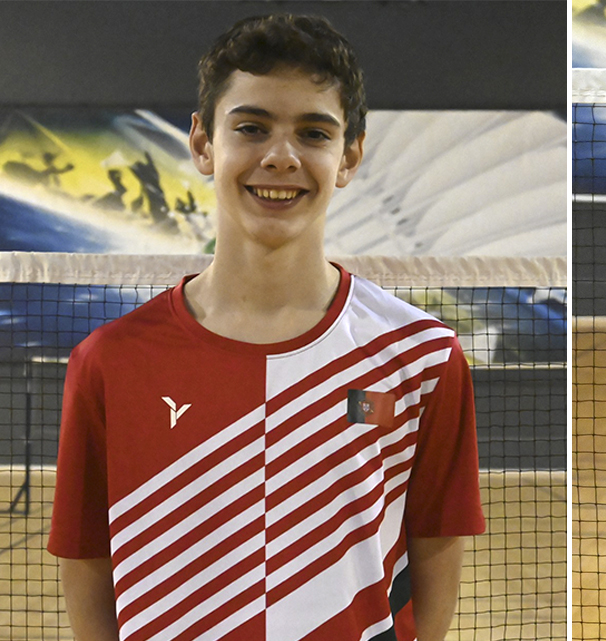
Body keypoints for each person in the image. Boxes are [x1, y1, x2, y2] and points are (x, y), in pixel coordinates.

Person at [47, 14, 484, 641]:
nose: (281, 157)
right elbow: (87, 557)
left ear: (350, 155)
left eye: (313, 132)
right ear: (203, 144)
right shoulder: (108, 362)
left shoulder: (424, 357)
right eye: (252, 128)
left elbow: (438, 541)